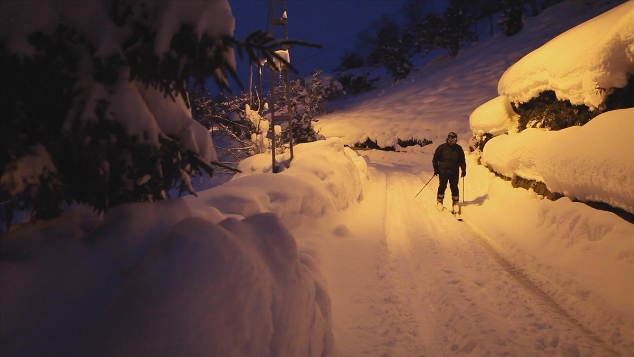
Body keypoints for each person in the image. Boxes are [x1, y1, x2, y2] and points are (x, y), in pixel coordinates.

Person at [432, 132, 466, 213]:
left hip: (454, 171)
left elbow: (462, 160)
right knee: (442, 186)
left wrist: (464, 169)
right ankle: (439, 201)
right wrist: (436, 168)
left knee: (454, 187)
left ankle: (455, 203)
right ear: (448, 139)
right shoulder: (442, 147)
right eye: (451, 140)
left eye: (454, 140)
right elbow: (435, 159)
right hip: (443, 171)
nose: (452, 141)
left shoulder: (458, 149)